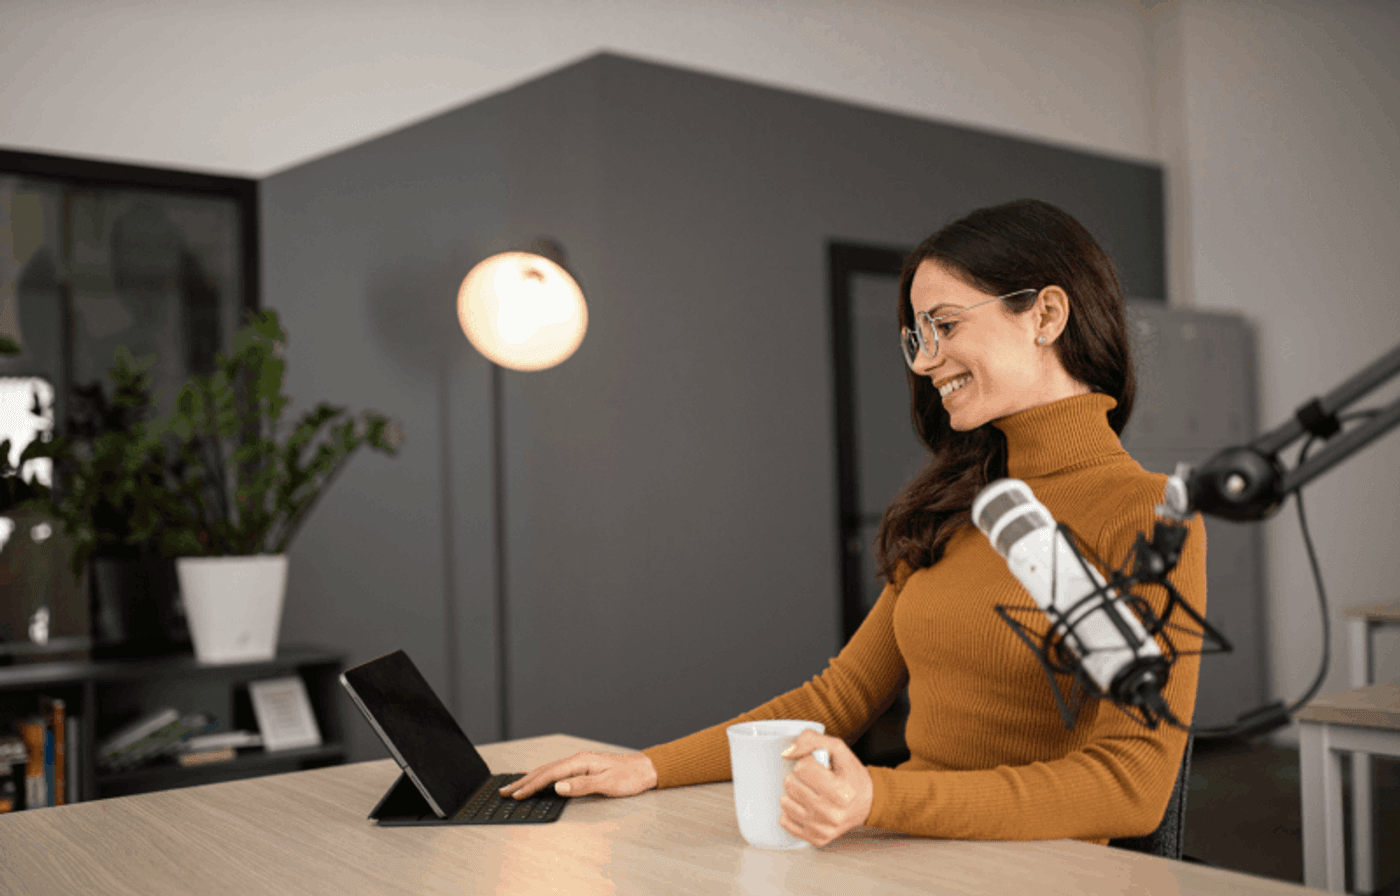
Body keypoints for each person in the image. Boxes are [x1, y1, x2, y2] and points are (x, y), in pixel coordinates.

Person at [499, 198, 1207, 848]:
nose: (927, 360)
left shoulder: (1144, 515)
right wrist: (648, 768)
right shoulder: (959, 508)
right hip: (908, 857)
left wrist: (878, 794)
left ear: (1046, 316)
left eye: (947, 325)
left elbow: (1129, 784)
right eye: (917, 336)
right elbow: (836, 698)